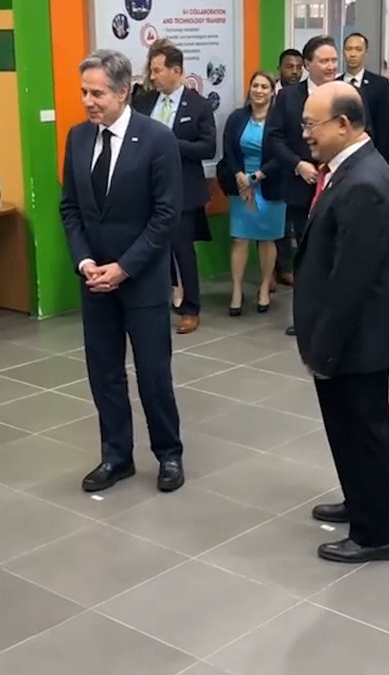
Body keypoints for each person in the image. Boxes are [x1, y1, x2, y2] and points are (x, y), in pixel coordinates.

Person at [59, 49, 186, 494]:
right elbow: (70, 208)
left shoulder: (156, 139)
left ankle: (169, 453)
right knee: (104, 373)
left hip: (142, 280)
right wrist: (85, 262)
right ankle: (116, 455)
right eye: (84, 92)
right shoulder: (78, 138)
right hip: (95, 282)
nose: (88, 101)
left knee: (153, 374)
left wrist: (125, 267)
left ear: (123, 92)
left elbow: (166, 215)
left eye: (97, 93)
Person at [295, 81, 389, 564]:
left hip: (359, 337)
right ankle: (360, 500)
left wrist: (323, 348)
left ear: (343, 124)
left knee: (365, 431)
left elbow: (351, 281)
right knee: (345, 428)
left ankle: (378, 534)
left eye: (311, 125)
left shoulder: (365, 183)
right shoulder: (346, 170)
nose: (305, 134)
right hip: (347, 334)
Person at [133, 40, 217, 334]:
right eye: (151, 70)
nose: (153, 76)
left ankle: (191, 308)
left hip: (183, 191)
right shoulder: (143, 102)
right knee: (153, 249)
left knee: (183, 250)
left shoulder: (198, 105)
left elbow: (208, 147)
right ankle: (158, 299)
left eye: (158, 71)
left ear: (176, 71)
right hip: (148, 190)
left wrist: (169, 144)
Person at [268, 35, 339, 333]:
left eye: (333, 60)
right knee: (308, 254)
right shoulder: (288, 98)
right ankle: (306, 316)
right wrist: (298, 164)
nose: (331, 66)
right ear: (308, 64)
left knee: (336, 252)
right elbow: (274, 137)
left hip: (339, 187)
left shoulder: (346, 94)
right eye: (324, 61)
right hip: (301, 188)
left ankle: (336, 315)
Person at [221, 71, 286, 315]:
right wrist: (240, 176)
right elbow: (228, 149)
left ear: (272, 91)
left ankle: (264, 287)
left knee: (267, 239)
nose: (259, 91)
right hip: (241, 186)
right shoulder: (237, 118)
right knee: (240, 239)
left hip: (269, 184)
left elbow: (283, 153)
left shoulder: (280, 120)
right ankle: (237, 291)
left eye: (264, 87)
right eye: (255, 86)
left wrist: (256, 177)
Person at [339, 32, 389, 162]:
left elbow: (383, 129)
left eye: (358, 49)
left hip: (369, 155)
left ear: (365, 52)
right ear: (343, 52)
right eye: (349, 49)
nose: (353, 54)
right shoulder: (335, 84)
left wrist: (382, 163)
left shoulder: (380, 85)